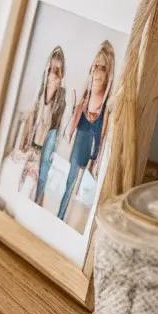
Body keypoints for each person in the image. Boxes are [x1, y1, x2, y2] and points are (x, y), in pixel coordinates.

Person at [57, 41, 115, 220]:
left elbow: (105, 144)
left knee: (83, 200)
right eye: (95, 67)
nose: (97, 72)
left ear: (108, 75)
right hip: (77, 154)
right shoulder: (81, 105)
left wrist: (96, 164)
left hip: (93, 170)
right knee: (69, 185)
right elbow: (67, 135)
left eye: (102, 68)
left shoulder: (107, 112)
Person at [18, 46, 67, 204]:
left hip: (44, 154)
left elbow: (56, 131)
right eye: (51, 69)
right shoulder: (38, 93)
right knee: (21, 188)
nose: (53, 74)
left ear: (61, 75)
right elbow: (30, 120)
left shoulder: (61, 100)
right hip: (31, 148)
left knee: (36, 193)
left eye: (57, 71)